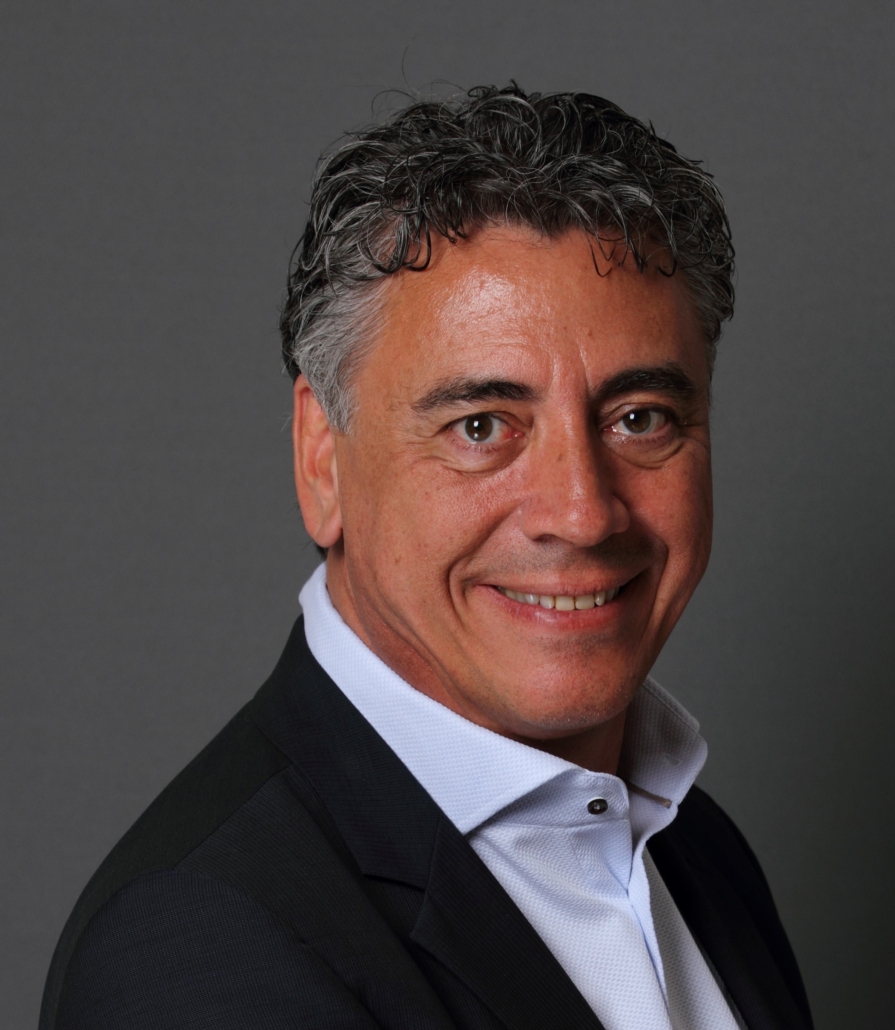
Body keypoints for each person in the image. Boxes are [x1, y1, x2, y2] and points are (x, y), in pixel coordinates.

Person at [40, 84, 813, 1030]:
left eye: (639, 418)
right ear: (321, 460)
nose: (580, 511)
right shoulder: (202, 953)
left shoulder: (704, 859)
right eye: (482, 425)